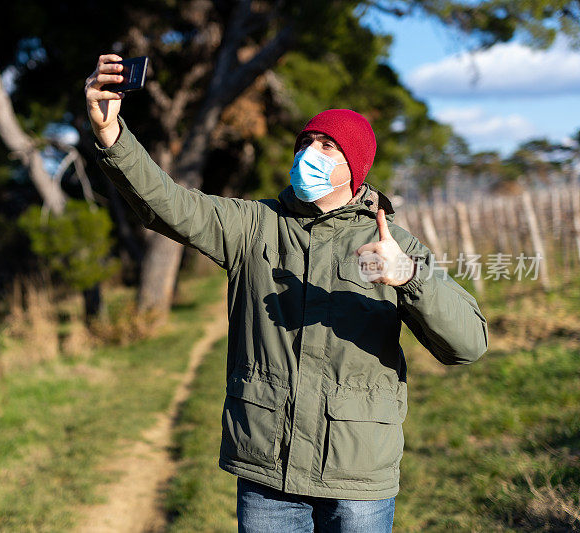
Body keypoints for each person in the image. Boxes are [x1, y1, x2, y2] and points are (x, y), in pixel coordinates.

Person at [85, 54, 488, 532]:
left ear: (354, 168)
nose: (309, 154)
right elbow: (170, 204)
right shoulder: (255, 224)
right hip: (267, 471)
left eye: (327, 146)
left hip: (357, 477)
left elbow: (469, 345)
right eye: (306, 143)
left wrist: (410, 278)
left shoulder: (391, 244)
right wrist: (112, 136)